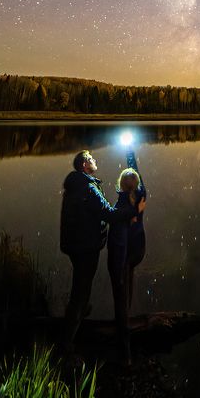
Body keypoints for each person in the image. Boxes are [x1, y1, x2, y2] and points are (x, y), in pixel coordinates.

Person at [59, 149, 146, 355]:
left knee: (81, 288)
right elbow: (108, 214)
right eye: (91, 159)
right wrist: (135, 210)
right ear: (84, 166)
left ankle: (77, 320)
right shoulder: (88, 188)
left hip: (76, 245)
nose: (94, 160)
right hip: (86, 247)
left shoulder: (75, 186)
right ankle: (67, 342)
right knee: (81, 292)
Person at [107, 149, 147, 363]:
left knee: (120, 296)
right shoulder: (141, 198)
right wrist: (130, 153)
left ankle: (125, 350)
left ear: (120, 185)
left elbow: (118, 238)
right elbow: (141, 182)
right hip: (138, 250)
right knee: (129, 285)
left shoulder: (120, 205)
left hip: (123, 254)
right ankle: (128, 324)